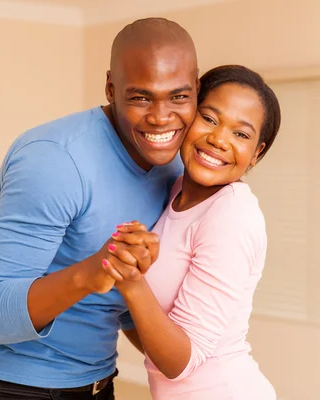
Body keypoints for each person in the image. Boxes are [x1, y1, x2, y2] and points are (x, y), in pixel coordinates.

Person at [0, 18, 199, 400]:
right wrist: (91, 272)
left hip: (98, 383)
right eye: (141, 97)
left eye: (178, 97)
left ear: (196, 88)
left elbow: (125, 304)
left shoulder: (176, 165)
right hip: (12, 389)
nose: (161, 117)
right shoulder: (54, 160)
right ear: (111, 88)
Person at [103, 65, 281, 399]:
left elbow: (180, 363)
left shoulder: (232, 215)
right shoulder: (175, 192)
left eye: (241, 134)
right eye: (210, 119)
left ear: (256, 152)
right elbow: (158, 334)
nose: (218, 139)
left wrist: (130, 282)